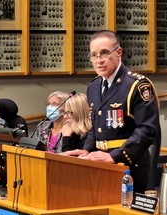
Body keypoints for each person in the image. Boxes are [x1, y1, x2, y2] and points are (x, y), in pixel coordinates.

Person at [62, 30, 160, 194]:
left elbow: (146, 131)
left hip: (130, 167)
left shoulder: (137, 85)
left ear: (118, 53)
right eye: (94, 55)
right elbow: (96, 126)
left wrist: (114, 156)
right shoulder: (94, 86)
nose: (99, 61)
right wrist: (86, 149)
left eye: (104, 53)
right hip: (100, 164)